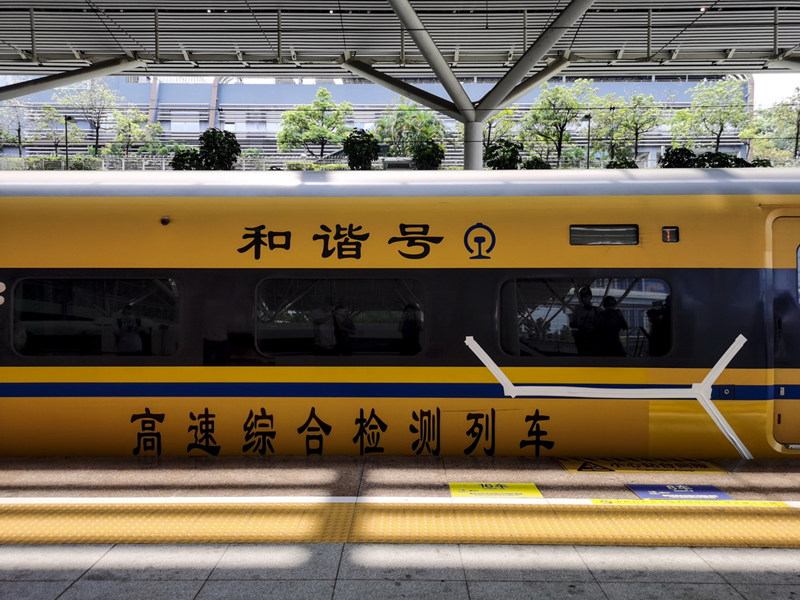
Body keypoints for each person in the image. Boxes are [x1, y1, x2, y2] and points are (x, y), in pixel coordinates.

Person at [569, 286, 599, 355]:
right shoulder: (578, 310)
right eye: (582, 297)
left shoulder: (597, 310)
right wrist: (580, 326)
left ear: (590, 297)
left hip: (593, 339)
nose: (584, 299)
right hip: (582, 339)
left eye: (586, 297)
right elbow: (571, 323)